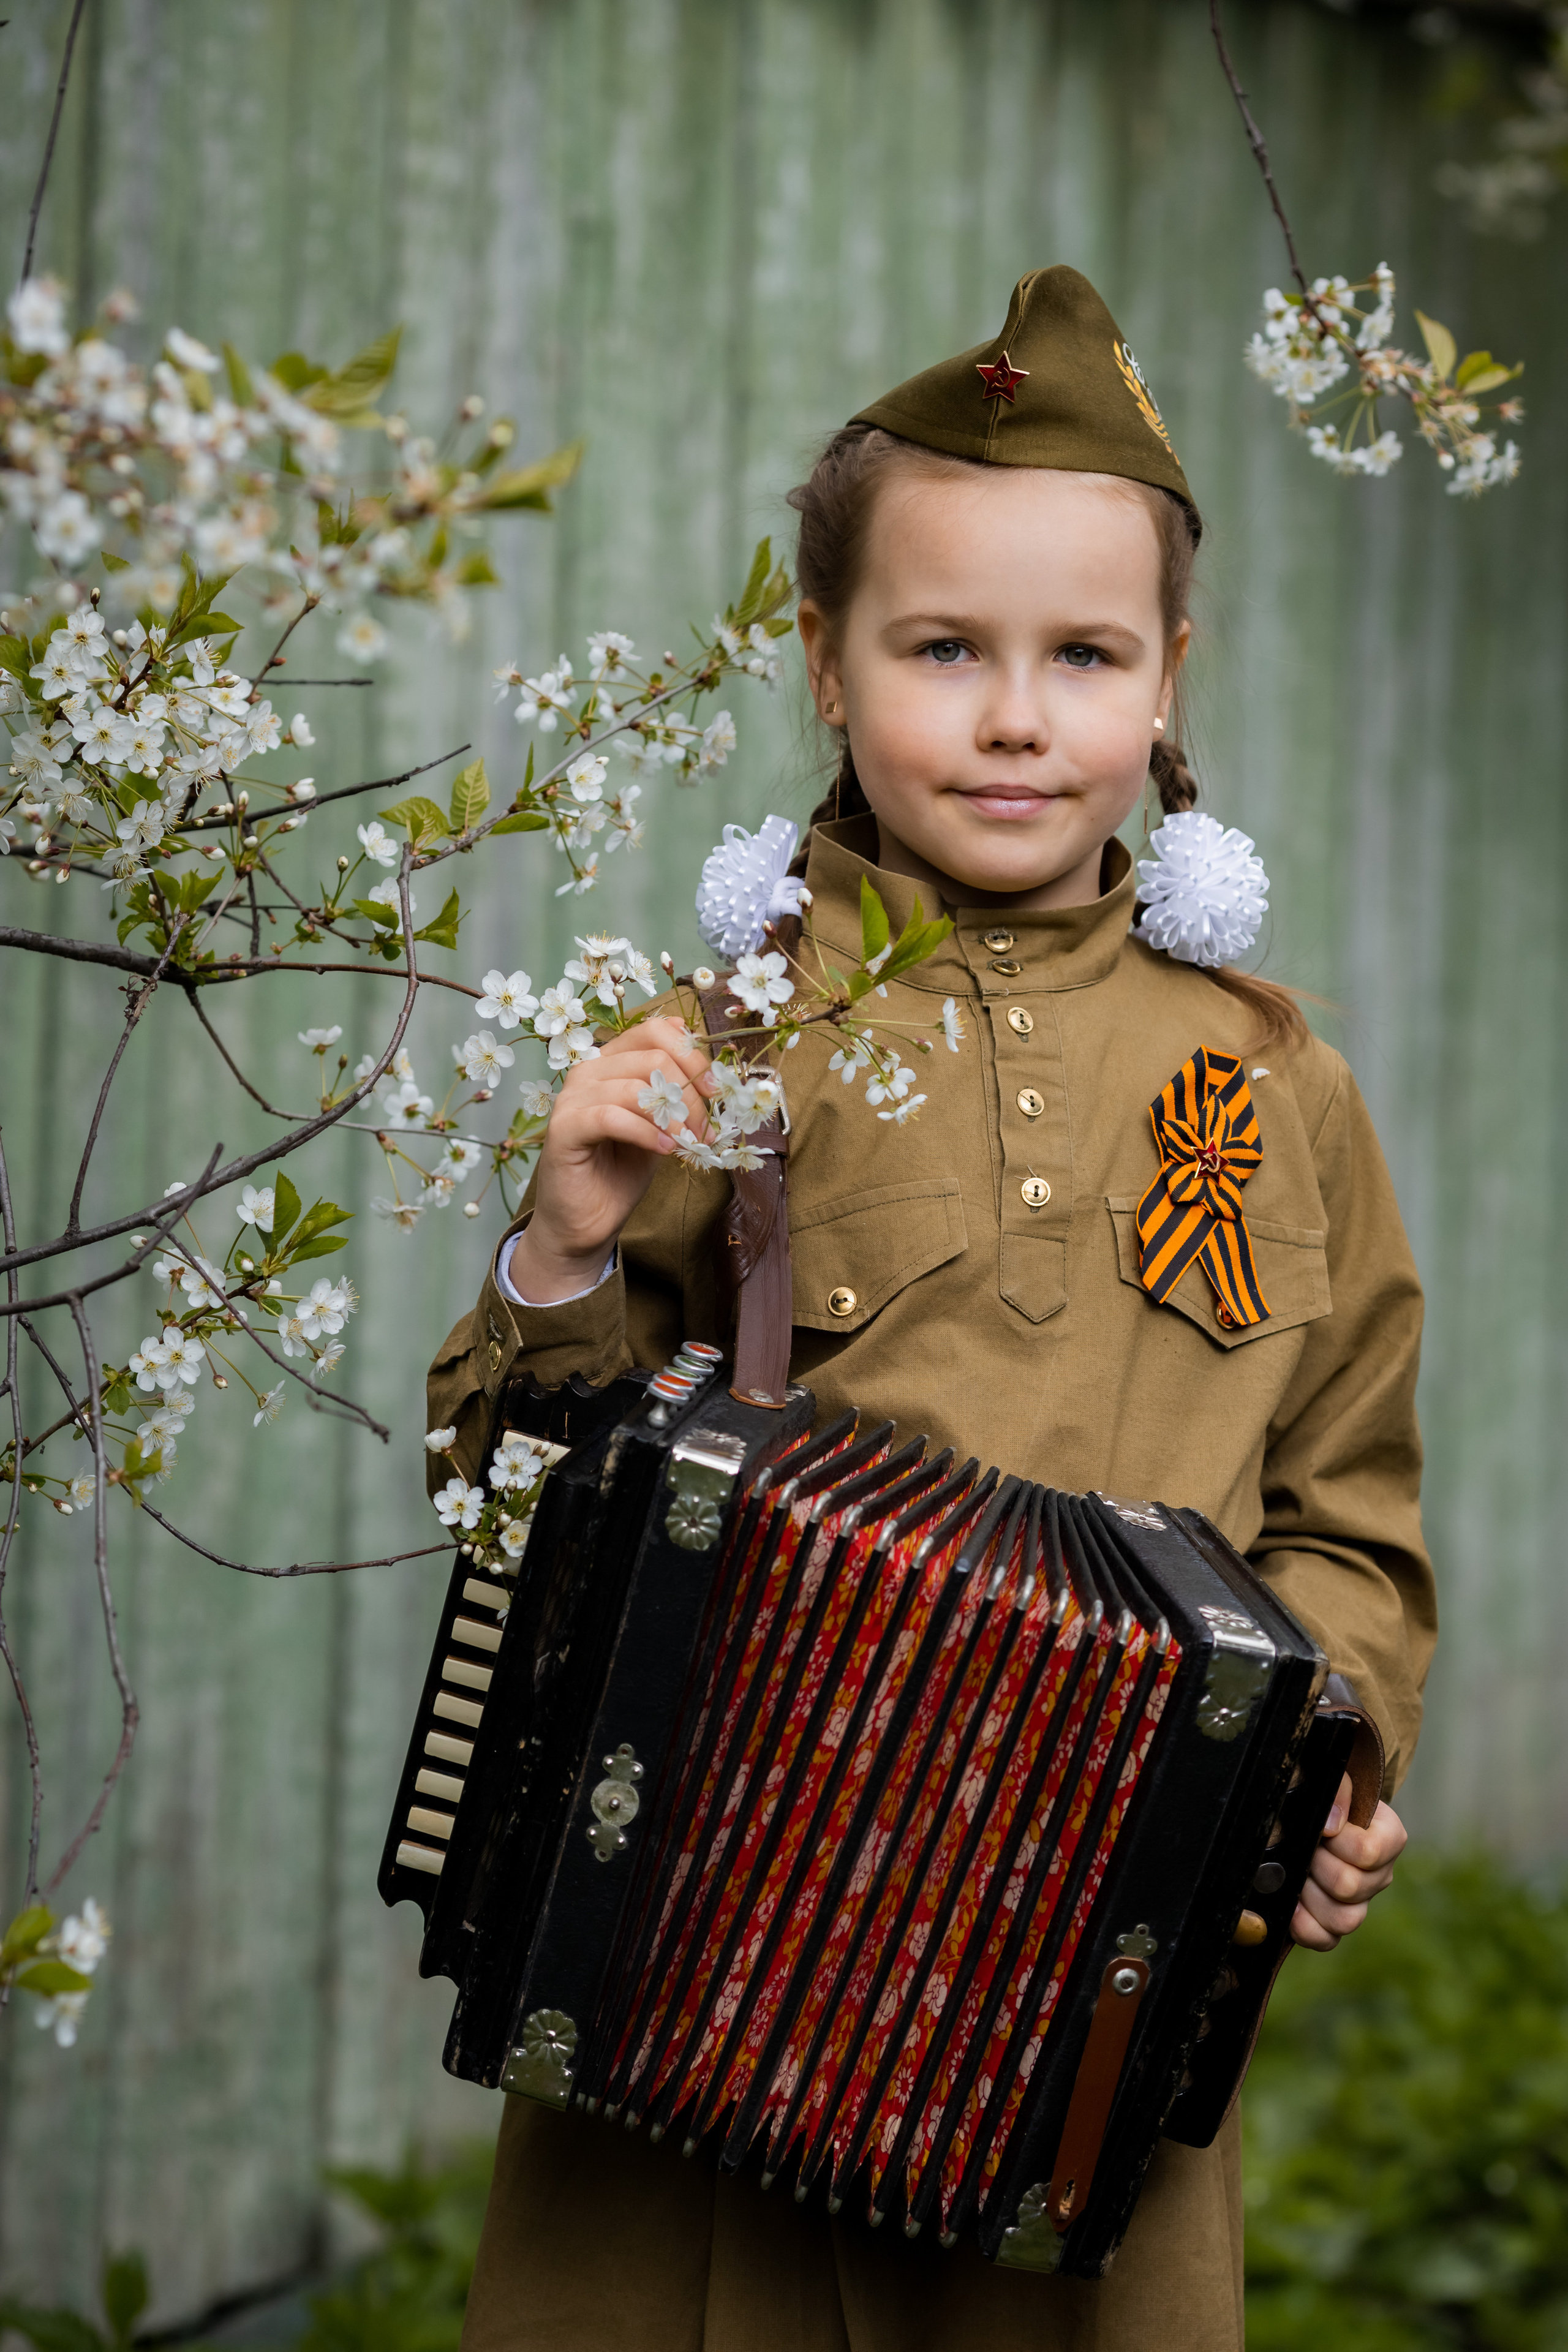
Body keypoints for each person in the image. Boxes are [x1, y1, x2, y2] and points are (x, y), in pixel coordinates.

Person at [434, 266, 1433, 2352]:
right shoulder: (723, 1048)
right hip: (706, 1940)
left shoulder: (1276, 1090)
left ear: (1168, 679)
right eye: (941, 648)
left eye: (1081, 655)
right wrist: (564, 1249)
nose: (1012, 715)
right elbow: (527, 1504)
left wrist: (1324, 1754)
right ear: (822, 659)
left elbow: (1350, 1515)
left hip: (1088, 1991)